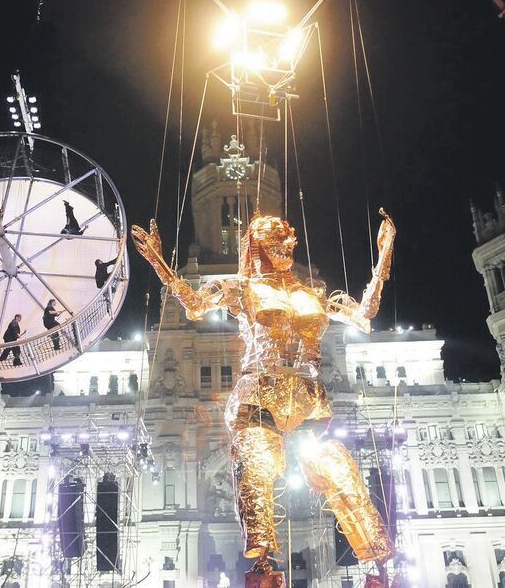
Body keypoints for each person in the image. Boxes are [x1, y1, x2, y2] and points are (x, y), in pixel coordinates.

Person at [132, 210, 397, 575]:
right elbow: (194, 305)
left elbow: (364, 314)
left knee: (340, 469)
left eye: (287, 236)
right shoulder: (241, 287)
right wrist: (158, 262)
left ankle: (376, 561)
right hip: (260, 394)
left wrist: (383, 255)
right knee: (257, 463)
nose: (287, 242)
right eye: (275, 236)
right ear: (258, 244)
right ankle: (262, 564)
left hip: (305, 398)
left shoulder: (312, 292)